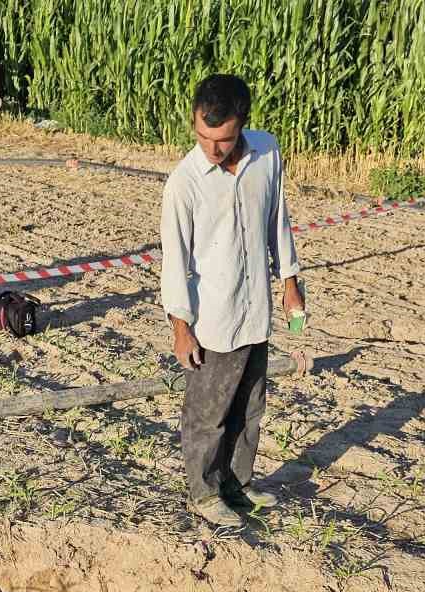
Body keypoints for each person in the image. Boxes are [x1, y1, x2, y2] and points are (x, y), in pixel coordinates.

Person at [160, 73, 304, 528]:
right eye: (203, 136)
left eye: (222, 139)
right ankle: (203, 494)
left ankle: (237, 485)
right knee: (208, 414)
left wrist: (290, 279)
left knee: (250, 406)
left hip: (256, 308)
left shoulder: (267, 153)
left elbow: (278, 218)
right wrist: (180, 327)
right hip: (214, 319)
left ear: (242, 124)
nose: (212, 148)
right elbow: (173, 260)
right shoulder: (184, 183)